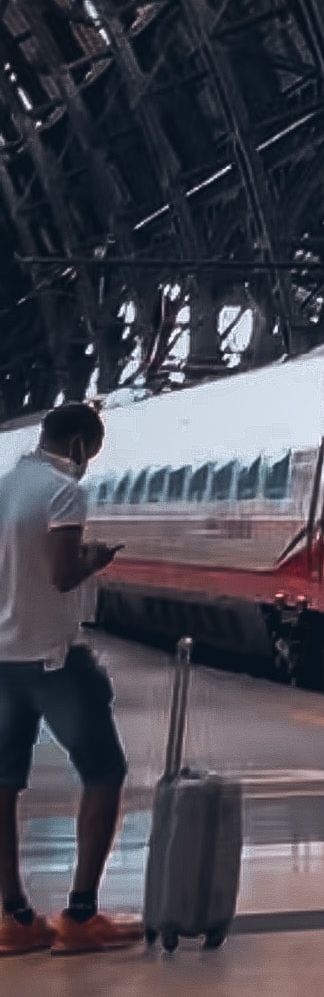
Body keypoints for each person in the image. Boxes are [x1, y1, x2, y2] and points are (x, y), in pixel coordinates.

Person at [0, 403, 137, 955]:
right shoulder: (64, 491)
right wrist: (94, 559)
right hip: (54, 661)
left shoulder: (7, 484)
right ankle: (80, 915)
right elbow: (61, 574)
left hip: (1, 659)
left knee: (4, 786)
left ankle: (14, 918)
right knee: (104, 771)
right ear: (79, 445)